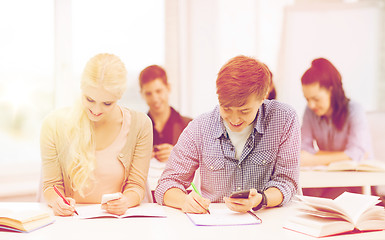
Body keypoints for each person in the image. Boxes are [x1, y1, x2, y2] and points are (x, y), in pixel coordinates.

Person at [154, 55, 300, 213]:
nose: (234, 119)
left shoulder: (284, 119)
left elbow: (286, 182)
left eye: (244, 111)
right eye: (226, 108)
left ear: (263, 96)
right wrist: (184, 201)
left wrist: (261, 199)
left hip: (268, 221)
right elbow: (166, 184)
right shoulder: (200, 127)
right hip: (214, 225)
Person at [40, 53, 153, 216]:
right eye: (89, 99)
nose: (96, 110)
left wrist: (125, 201)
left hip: (118, 221)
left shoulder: (140, 125)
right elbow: (51, 186)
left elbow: (136, 186)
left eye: (107, 103)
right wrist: (57, 202)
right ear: (81, 87)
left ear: (119, 96)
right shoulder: (53, 125)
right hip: (72, 222)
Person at [300, 58, 373, 198]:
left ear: (331, 90)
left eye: (316, 99)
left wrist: (314, 158)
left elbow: (356, 154)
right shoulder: (310, 112)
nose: (311, 105)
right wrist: (341, 156)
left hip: (358, 181)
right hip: (330, 179)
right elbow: (304, 150)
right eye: (307, 99)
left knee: (330, 197)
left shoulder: (354, 110)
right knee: (304, 194)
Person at [139, 65, 192, 163]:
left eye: (158, 91)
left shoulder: (190, 126)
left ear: (168, 88)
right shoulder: (137, 130)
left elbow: (202, 168)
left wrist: (178, 156)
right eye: (148, 93)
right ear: (141, 94)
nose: (155, 99)